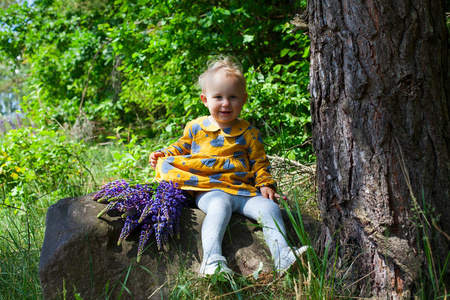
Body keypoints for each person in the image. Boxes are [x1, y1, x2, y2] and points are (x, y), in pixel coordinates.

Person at [149, 56, 308, 276]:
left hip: (243, 191)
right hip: (210, 188)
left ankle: (282, 255)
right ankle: (212, 260)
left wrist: (265, 184)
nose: (226, 103)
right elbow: (181, 147)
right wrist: (164, 154)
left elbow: (260, 162)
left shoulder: (248, 131)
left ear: (243, 99)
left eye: (232, 97)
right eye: (218, 97)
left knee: (269, 208)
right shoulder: (197, 127)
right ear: (205, 99)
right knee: (219, 208)